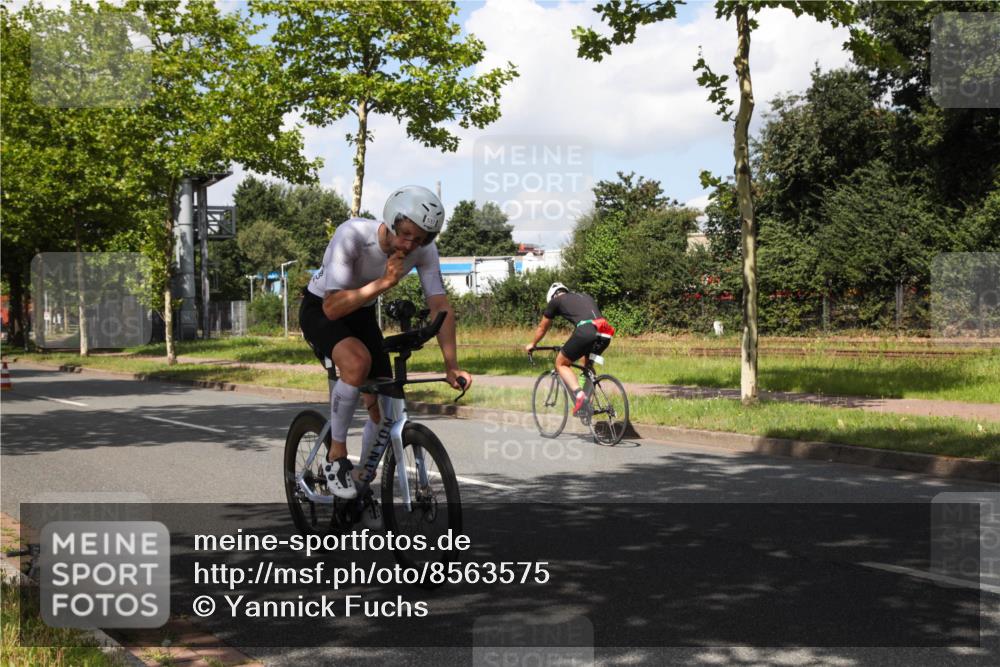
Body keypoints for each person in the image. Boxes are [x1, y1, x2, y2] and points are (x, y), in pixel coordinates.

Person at [299, 185, 473, 506]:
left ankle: (361, 482)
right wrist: (384, 283)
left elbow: (440, 306)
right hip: (322, 307)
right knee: (356, 363)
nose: (411, 245)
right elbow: (333, 308)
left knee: (382, 407)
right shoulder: (352, 235)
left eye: (421, 239)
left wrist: (451, 366)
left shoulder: (423, 251)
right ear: (393, 220)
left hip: (361, 313)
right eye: (406, 234)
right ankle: (337, 455)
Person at [524, 283, 615, 415]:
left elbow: (542, 327)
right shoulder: (585, 296)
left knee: (561, 363)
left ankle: (580, 395)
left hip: (586, 331)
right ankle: (587, 406)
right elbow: (587, 318)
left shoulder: (556, 301)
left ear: (553, 296)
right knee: (588, 366)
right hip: (606, 332)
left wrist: (532, 343)